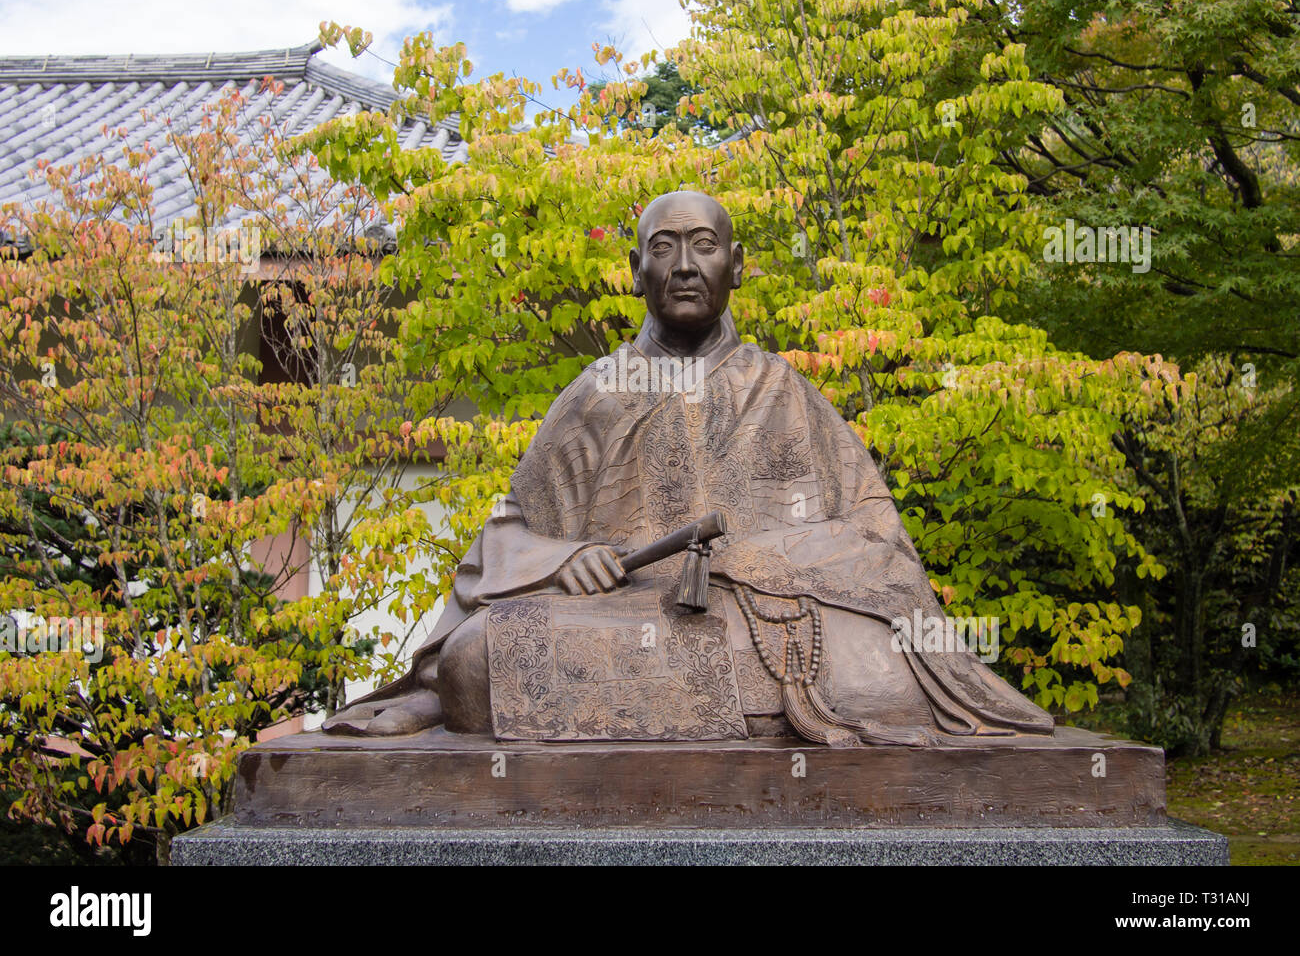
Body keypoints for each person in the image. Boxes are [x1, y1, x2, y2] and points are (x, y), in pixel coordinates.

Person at [323, 190, 1053, 745]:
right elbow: (501, 543)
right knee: (477, 656)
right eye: (662, 247)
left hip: (760, 620)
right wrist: (567, 556)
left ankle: (722, 707)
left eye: (703, 246)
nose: (681, 266)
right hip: (626, 617)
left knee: (885, 663)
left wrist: (758, 560)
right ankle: (727, 714)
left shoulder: (785, 391)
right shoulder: (599, 392)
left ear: (735, 266)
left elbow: (878, 538)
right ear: (635, 269)